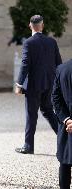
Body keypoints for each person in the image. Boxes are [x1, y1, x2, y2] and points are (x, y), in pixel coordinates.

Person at [15, 15, 62, 154]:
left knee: (31, 115)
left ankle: (28, 146)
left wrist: (19, 84)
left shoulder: (28, 43)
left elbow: (25, 65)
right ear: (42, 25)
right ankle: (64, 138)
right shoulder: (51, 41)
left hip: (34, 85)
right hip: (50, 84)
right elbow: (59, 63)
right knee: (48, 111)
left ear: (30, 26)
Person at [51, 59, 72, 189]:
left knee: (65, 163)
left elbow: (55, 98)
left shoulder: (62, 69)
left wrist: (66, 119)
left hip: (66, 126)